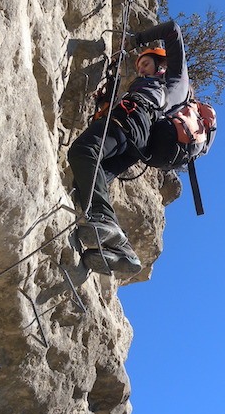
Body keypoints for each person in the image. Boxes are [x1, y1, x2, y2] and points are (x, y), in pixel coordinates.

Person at [67, 20, 189, 277]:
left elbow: (173, 31)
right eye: (139, 65)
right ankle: (123, 251)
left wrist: (136, 40)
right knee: (87, 182)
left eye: (146, 63)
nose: (141, 68)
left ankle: (103, 220)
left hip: (133, 120)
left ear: (162, 64)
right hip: (137, 140)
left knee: (83, 151)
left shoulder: (175, 80)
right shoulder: (149, 86)